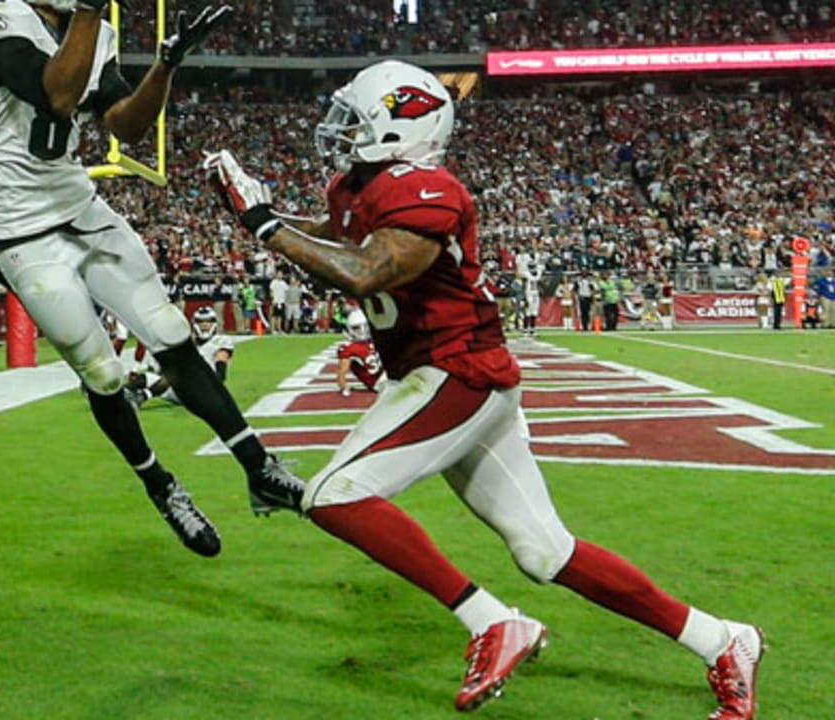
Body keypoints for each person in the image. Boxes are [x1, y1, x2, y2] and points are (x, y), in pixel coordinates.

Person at [205, 59, 763, 719]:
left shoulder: (428, 188)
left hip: (456, 369)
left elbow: (364, 271)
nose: (341, 130)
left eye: (357, 118)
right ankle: (723, 639)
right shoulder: (358, 186)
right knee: (544, 550)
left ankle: (492, 622)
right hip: (448, 373)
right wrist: (262, 212)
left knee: (333, 495)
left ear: (400, 126)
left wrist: (265, 226)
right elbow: (341, 236)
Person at [0, 0, 303, 558]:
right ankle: (161, 485)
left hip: (78, 204)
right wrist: (89, 14)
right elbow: (55, 96)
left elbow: (125, 124)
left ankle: (260, 467)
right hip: (16, 225)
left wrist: (165, 65)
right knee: (103, 371)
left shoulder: (98, 31)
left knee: (170, 333)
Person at [126, 306, 234, 408]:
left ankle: (143, 396)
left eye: (208, 321)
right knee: (146, 377)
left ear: (214, 323)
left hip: (204, 389)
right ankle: (123, 396)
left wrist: (216, 393)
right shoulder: (187, 342)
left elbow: (221, 369)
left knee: (180, 371)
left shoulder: (221, 341)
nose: (205, 325)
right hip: (180, 388)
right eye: (201, 322)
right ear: (194, 323)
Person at [334, 307, 383, 397]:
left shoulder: (374, 340)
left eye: (365, 326)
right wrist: (344, 388)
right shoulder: (349, 348)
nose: (362, 331)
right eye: (357, 328)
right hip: (380, 382)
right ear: (349, 329)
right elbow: (342, 372)